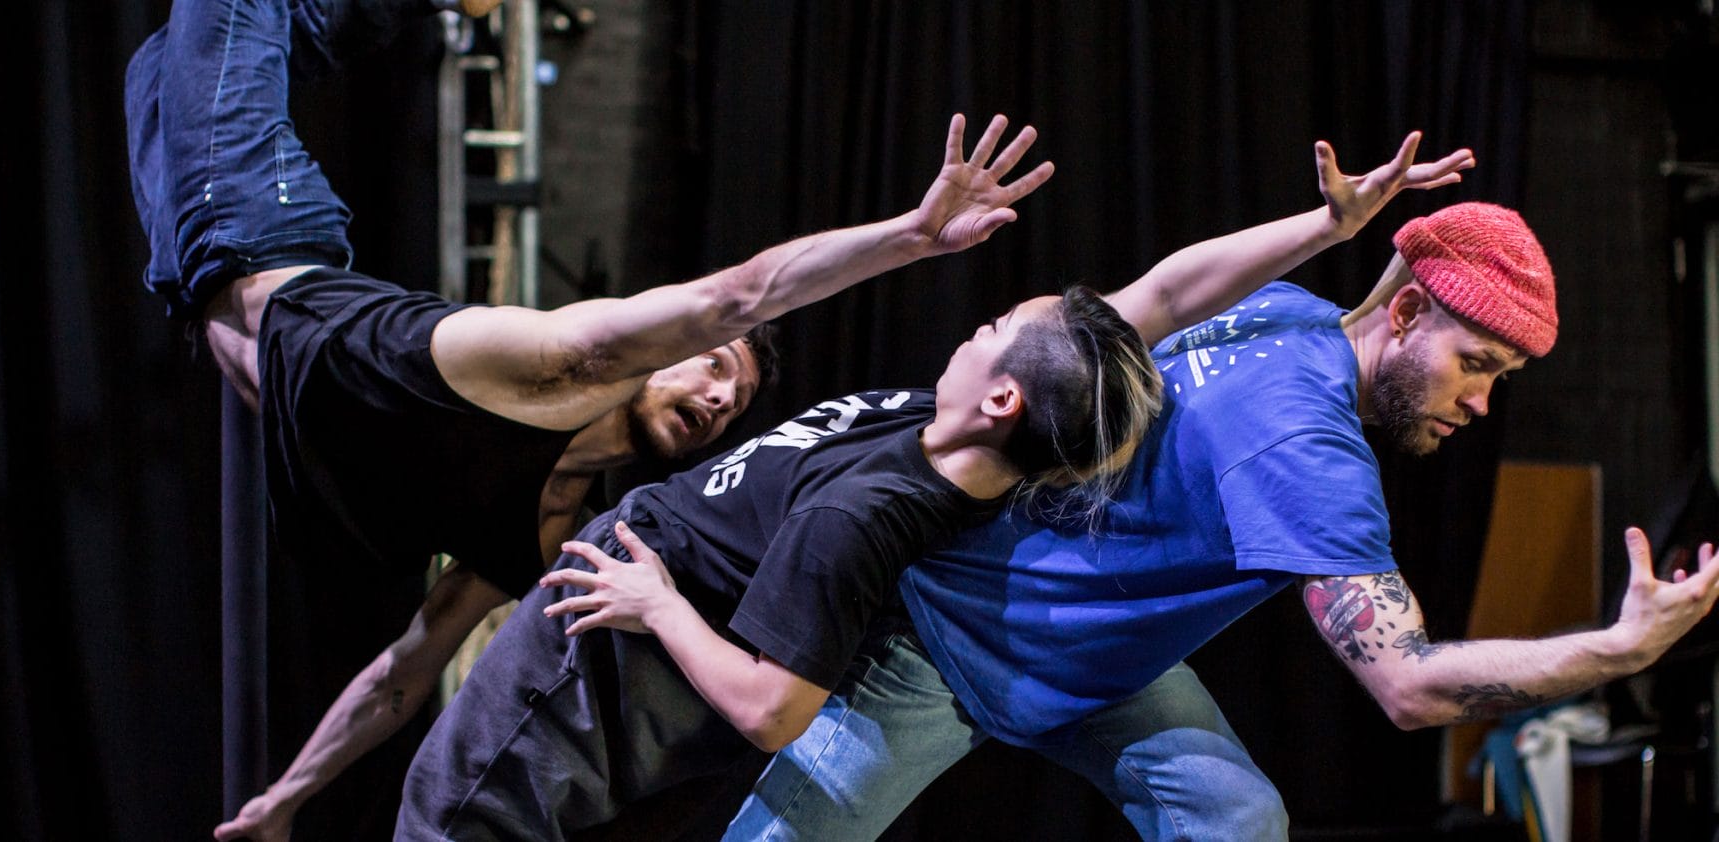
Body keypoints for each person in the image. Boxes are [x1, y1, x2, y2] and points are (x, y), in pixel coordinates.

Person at [125, 0, 1063, 838]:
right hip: (251, 233)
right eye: (713, 370)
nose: (717, 399)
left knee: (159, 64)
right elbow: (742, 294)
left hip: (191, 287)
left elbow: (403, 675)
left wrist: (286, 798)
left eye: (734, 403)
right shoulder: (561, 368)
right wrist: (911, 236)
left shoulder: (547, 527)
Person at [387, 134, 1480, 842]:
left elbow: (773, 710)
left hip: (624, 621)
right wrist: (1331, 230)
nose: (979, 321)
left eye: (996, 325)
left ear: (1004, 394)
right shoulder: (947, 425)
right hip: (661, 612)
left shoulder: (870, 508)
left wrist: (660, 600)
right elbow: (1162, 292)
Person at [722, 199, 1719, 840]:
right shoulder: (1308, 450)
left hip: (1102, 662)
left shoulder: (1284, 308)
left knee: (1235, 818)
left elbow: (1155, 294)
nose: (1482, 402)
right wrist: (1617, 650)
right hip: (951, 636)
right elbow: (1410, 689)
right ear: (1409, 313)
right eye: (1478, 365)